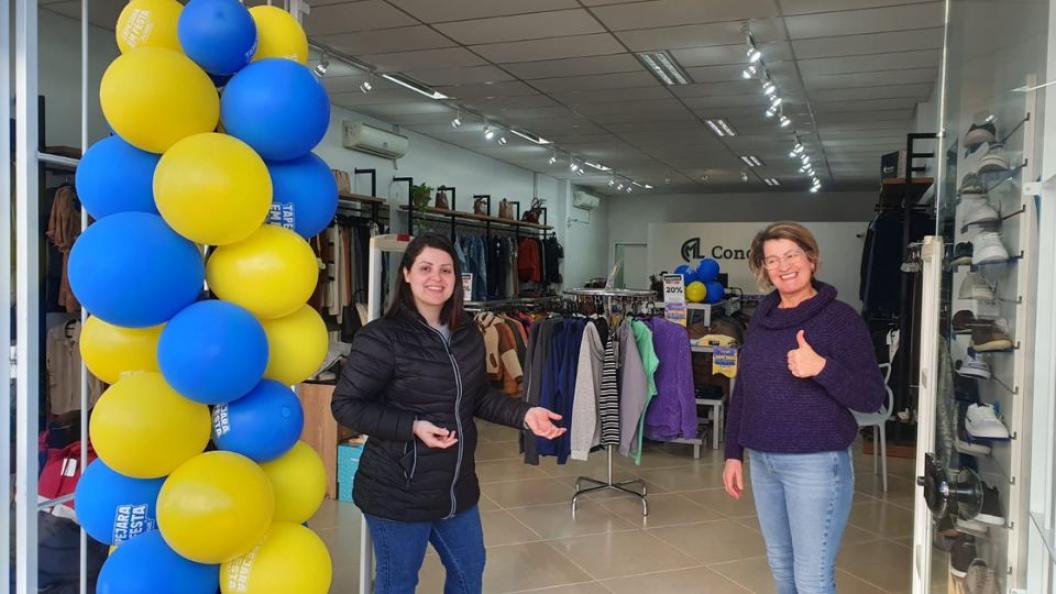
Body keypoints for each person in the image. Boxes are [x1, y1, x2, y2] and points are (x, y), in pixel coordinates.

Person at [331, 234, 566, 594]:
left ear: (456, 278)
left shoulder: (467, 332)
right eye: (425, 268)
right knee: (398, 584)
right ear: (406, 274)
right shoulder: (381, 337)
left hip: (456, 486)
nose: (436, 278)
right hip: (398, 491)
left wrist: (525, 414)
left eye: (445, 270)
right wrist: (413, 426)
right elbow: (346, 405)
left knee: (469, 572)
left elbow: (477, 397)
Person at [722, 222, 884, 594]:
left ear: (811, 258)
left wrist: (821, 368)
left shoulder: (840, 319)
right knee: (781, 566)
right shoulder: (762, 318)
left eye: (792, 255)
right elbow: (745, 388)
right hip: (763, 461)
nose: (784, 266)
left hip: (816, 464)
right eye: (772, 260)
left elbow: (871, 397)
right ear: (764, 268)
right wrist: (733, 453)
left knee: (812, 578)